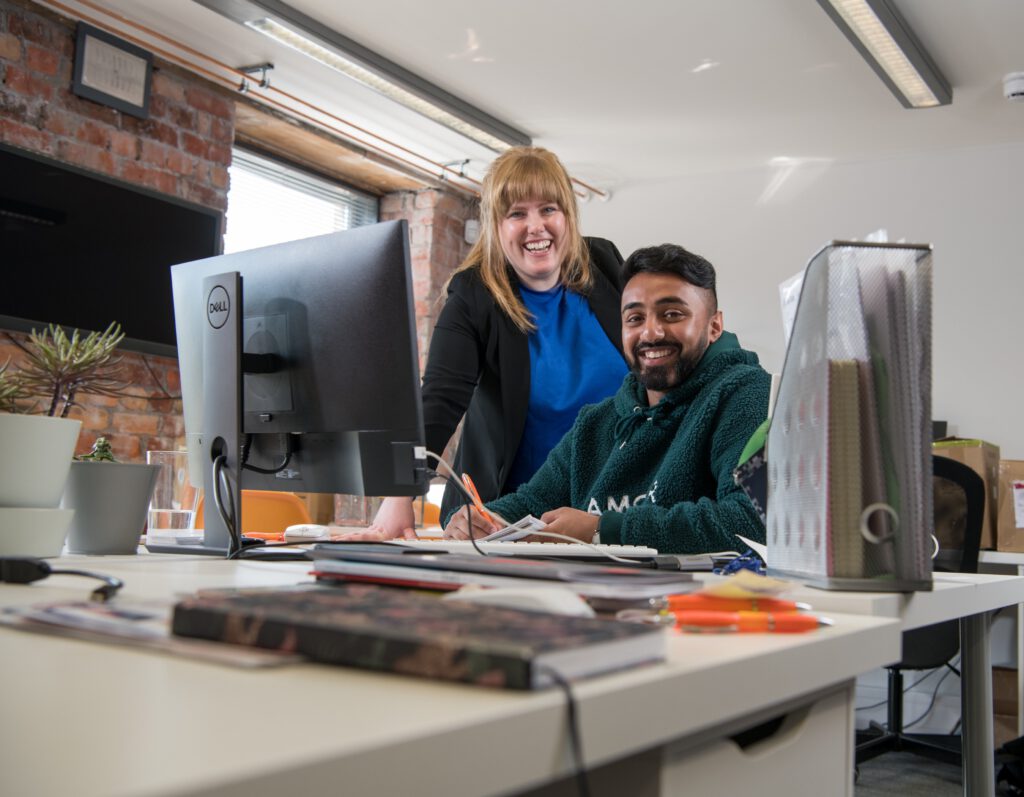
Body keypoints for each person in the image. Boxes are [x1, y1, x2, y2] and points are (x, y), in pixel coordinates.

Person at [351, 146, 628, 539]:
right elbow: (439, 400)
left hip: (607, 507)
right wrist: (399, 497)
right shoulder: (474, 296)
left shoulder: (605, 263)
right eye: (517, 214)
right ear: (496, 226)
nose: (536, 226)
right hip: (501, 515)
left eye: (548, 209)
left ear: (567, 214)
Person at [444, 243, 771, 555]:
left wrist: (601, 530)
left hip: (696, 594)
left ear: (714, 326)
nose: (650, 333)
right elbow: (529, 503)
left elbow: (753, 521)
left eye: (672, 314)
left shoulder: (747, 395)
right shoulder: (595, 422)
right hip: (588, 590)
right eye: (635, 318)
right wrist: (479, 521)